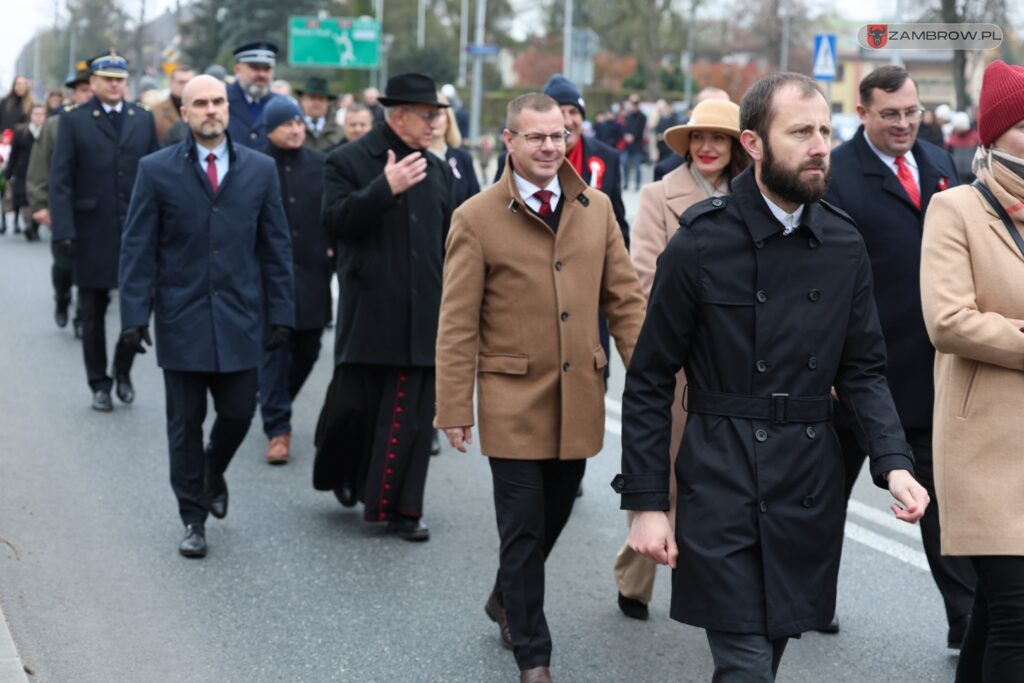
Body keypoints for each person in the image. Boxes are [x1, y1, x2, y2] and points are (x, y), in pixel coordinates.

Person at [615, 72, 930, 682]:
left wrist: (894, 464)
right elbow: (650, 377)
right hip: (720, 476)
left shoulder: (843, 242)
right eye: (800, 132)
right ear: (753, 144)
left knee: (769, 654)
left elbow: (864, 369)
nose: (819, 146)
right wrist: (647, 504)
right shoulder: (701, 244)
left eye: (824, 130)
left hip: (809, 480)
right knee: (746, 667)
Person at [435, 92, 646, 683]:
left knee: (555, 511)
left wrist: (653, 379)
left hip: (580, 396)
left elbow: (625, 302)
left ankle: (505, 595)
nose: (551, 147)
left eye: (557, 136)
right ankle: (534, 654)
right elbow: (456, 322)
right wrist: (455, 405)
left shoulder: (595, 206)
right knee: (523, 524)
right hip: (511, 398)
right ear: (510, 141)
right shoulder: (475, 217)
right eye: (536, 137)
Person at [825, 65, 975, 643]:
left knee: (939, 500)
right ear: (863, 113)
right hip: (849, 374)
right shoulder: (836, 175)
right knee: (823, 500)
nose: (904, 123)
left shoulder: (939, 164)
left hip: (925, 372)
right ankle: (812, 600)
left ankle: (963, 618)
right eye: (890, 114)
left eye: (911, 112)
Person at [118, 74, 294, 558]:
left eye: (218, 101)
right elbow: (138, 248)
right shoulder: (155, 170)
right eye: (201, 103)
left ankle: (213, 469)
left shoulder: (259, 170)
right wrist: (134, 316)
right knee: (184, 424)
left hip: (241, 317)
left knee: (239, 412)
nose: (212, 109)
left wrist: (282, 311)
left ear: (227, 109)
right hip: (182, 317)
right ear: (186, 111)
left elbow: (276, 246)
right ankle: (192, 518)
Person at [613, 98, 749, 621]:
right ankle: (635, 575)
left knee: (726, 483)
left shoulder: (753, 196)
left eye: (720, 137)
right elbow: (643, 277)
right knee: (664, 480)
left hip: (736, 366)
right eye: (699, 138)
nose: (708, 147)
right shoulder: (657, 196)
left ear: (739, 144)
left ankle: (716, 588)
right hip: (680, 362)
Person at [312, 73, 454, 541]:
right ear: (398, 116)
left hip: (423, 315)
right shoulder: (347, 160)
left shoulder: (437, 171)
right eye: (428, 115)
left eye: (438, 116)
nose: (435, 124)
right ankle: (345, 473)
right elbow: (334, 221)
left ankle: (406, 511)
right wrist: (383, 189)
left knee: (414, 418)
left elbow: (450, 241)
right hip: (370, 311)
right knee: (355, 410)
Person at [920, 59, 1024, 683]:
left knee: (994, 612)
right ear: (995, 132)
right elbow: (948, 320)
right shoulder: (957, 207)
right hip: (983, 445)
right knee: (1017, 615)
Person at [48, 50, 158, 411]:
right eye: (107, 79)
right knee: (92, 312)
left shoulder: (142, 119)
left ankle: (122, 369)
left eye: (120, 79)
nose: (114, 85)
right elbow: (61, 180)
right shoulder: (75, 121)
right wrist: (63, 230)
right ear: (92, 83)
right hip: (91, 230)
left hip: (136, 230)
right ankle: (99, 382)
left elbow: (157, 175)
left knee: (137, 307)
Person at [258, 98, 331, 465]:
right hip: (269, 277)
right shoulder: (255, 165)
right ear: (269, 128)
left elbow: (334, 213)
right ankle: (277, 428)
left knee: (309, 349)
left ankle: (275, 400)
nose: (296, 129)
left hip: (313, 274)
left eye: (299, 123)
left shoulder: (321, 165)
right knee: (275, 349)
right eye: (287, 124)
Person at [27, 60, 92, 333]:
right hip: (62, 206)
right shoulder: (56, 125)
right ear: (73, 93)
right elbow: (40, 165)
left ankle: (82, 314)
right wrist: (40, 204)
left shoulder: (112, 124)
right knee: (64, 264)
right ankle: (62, 298)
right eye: (82, 90)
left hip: (96, 209)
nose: (87, 94)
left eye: (91, 89)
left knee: (91, 268)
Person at [654, 86, 731, 181]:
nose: (706, 147)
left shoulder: (749, 174)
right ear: (691, 114)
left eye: (718, 138)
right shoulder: (667, 173)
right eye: (698, 137)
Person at [4, 103, 46, 241]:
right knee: (25, 200)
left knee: (39, 201)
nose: (39, 117)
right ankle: (28, 225)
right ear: (30, 116)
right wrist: (8, 174)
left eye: (42, 114)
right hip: (23, 172)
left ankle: (34, 227)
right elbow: (14, 155)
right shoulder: (21, 132)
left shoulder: (49, 132)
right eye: (36, 114)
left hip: (43, 173)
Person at [428, 94, 479, 207]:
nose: (433, 120)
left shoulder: (463, 158)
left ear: (448, 119)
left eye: (438, 114)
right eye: (429, 114)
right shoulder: (414, 158)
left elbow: (475, 202)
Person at [227, 39, 280, 149]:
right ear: (237, 70)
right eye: (255, 68)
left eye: (267, 69)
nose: (262, 74)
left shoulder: (280, 104)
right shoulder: (221, 100)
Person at [298, 76, 344, 152]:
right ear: (302, 100)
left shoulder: (339, 131)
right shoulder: (292, 129)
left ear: (327, 102)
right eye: (312, 98)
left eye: (321, 99)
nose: (317, 103)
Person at [151, 65, 194, 143]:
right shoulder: (155, 111)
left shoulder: (200, 110)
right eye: (181, 82)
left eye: (189, 82)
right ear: (171, 84)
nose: (186, 86)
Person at [946, 111, 981, 184]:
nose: (956, 129)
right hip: (957, 174)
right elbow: (947, 155)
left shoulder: (975, 138)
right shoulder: (951, 139)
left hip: (973, 175)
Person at [622, 94, 647, 190]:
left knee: (637, 166)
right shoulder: (628, 116)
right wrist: (626, 136)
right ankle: (626, 182)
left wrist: (633, 137)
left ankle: (637, 184)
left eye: (635, 103)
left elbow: (640, 130)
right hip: (628, 145)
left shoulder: (642, 116)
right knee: (624, 163)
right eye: (632, 103)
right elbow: (625, 128)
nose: (634, 106)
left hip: (637, 145)